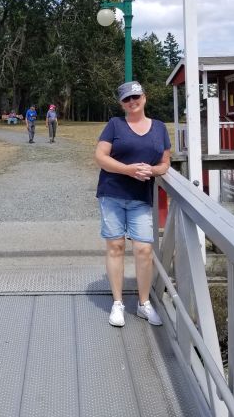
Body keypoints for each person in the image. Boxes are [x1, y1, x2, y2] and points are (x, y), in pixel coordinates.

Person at [95, 81, 171, 327]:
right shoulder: (114, 125)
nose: (132, 102)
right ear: (121, 104)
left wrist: (153, 170)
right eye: (127, 99)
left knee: (144, 249)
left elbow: (165, 163)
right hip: (113, 193)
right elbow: (101, 157)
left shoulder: (159, 128)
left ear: (144, 98)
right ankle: (117, 303)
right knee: (116, 246)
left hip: (140, 197)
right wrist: (127, 170)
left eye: (136, 97)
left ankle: (143, 303)